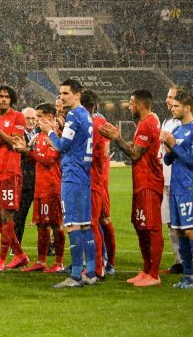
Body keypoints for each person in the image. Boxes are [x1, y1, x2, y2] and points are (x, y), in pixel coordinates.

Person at [99, 89, 164, 287]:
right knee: (141, 226)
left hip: (149, 183)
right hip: (141, 182)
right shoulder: (145, 122)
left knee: (151, 229)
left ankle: (154, 274)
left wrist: (116, 138)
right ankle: (146, 270)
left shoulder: (148, 123)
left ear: (141, 104)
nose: (129, 106)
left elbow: (135, 154)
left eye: (131, 102)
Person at [42, 79, 96, 288]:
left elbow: (63, 145)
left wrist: (49, 133)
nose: (62, 97)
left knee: (72, 225)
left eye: (66, 93)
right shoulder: (86, 115)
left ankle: (74, 276)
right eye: (61, 93)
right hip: (83, 174)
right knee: (85, 225)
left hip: (72, 175)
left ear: (77, 94)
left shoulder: (73, 115)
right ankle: (90, 273)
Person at [161, 88, 193, 289]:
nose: (172, 109)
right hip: (176, 188)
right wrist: (168, 147)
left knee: (191, 231)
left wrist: (175, 146)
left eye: (176, 106)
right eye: (172, 106)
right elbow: (168, 159)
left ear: (187, 108)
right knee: (180, 232)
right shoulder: (177, 130)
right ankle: (188, 275)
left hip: (190, 188)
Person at [0, 84, 30, 271]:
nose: (4, 99)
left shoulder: (18, 117)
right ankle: (19, 254)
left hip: (10, 172)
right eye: (0, 96)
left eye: (7, 97)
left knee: (6, 215)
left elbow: (16, 143)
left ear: (11, 100)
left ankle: (2, 258)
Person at [22, 103, 66, 274]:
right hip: (40, 188)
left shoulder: (55, 136)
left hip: (52, 188)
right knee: (41, 224)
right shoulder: (40, 136)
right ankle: (41, 261)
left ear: (49, 118)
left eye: (39, 117)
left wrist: (28, 152)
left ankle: (59, 262)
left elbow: (48, 160)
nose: (37, 120)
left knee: (55, 224)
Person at [82, 89, 114, 278]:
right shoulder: (101, 122)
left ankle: (97, 267)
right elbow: (105, 152)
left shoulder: (88, 123)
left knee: (92, 223)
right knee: (100, 221)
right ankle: (106, 264)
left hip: (91, 180)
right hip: (99, 179)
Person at [161, 86, 184, 274]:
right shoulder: (167, 121)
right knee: (170, 223)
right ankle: (179, 261)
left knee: (183, 223)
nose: (168, 101)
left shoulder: (183, 125)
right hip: (164, 178)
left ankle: (188, 261)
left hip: (178, 179)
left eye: (171, 97)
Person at [13, 106, 39, 246]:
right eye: (28, 118)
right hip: (24, 181)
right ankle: (16, 246)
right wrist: (29, 148)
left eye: (33, 118)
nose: (31, 121)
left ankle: (47, 247)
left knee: (44, 218)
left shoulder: (41, 133)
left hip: (41, 180)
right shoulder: (16, 133)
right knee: (20, 215)